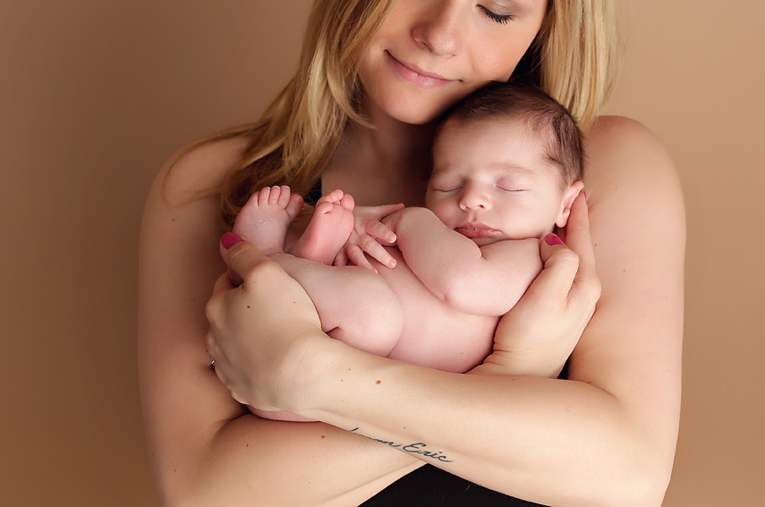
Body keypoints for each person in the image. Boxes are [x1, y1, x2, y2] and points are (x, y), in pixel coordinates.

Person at [139, 0, 685, 505]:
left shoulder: (610, 170)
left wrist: (318, 379)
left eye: (495, 9)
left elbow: (625, 476)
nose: (441, 35)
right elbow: (210, 496)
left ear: (542, 26)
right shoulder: (211, 188)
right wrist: (510, 377)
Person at [233, 84, 586, 416]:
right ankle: (306, 257)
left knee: (374, 311)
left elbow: (462, 281)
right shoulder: (444, 238)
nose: (471, 200)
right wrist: (357, 231)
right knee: (365, 299)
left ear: (566, 204)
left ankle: (268, 258)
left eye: (509, 187)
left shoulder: (534, 257)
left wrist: (408, 221)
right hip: (294, 344)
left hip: (331, 384)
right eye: (449, 185)